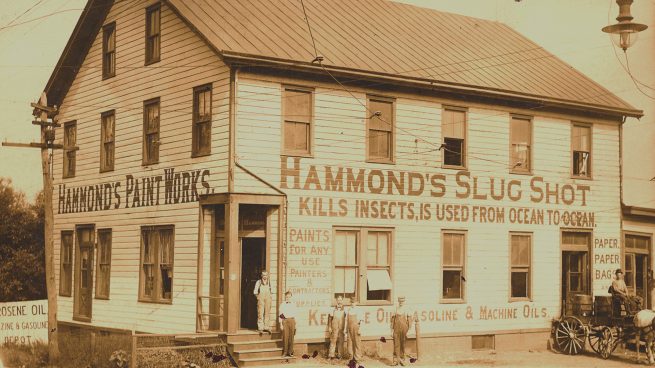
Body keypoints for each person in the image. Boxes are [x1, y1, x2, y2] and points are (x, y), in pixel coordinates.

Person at [390, 296, 413, 366]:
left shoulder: (407, 309)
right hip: (396, 329)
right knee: (396, 344)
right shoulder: (396, 309)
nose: (401, 303)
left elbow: (410, 321)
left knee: (403, 344)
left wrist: (409, 331)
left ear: (404, 301)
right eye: (400, 301)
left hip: (404, 329)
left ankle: (402, 360)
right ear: (398, 301)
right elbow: (392, 321)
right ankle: (395, 360)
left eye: (402, 301)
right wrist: (391, 330)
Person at [279, 290, 297, 357]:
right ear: (285, 297)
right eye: (287, 297)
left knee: (291, 337)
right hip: (285, 321)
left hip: (292, 320)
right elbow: (280, 314)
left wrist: (296, 324)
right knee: (285, 337)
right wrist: (281, 324)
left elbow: (295, 314)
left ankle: (290, 352)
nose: (288, 298)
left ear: (291, 297)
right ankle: (285, 352)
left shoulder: (293, 304)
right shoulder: (282, 305)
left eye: (289, 297)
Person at [345, 298, 363, 363]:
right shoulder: (349, 310)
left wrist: (360, 329)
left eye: (354, 302)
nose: (353, 304)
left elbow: (361, 321)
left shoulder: (359, 310)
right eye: (352, 302)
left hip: (356, 328)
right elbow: (346, 320)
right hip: (349, 328)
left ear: (356, 303)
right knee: (349, 343)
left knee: (357, 343)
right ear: (350, 303)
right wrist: (345, 329)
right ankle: (351, 357)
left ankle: (357, 358)